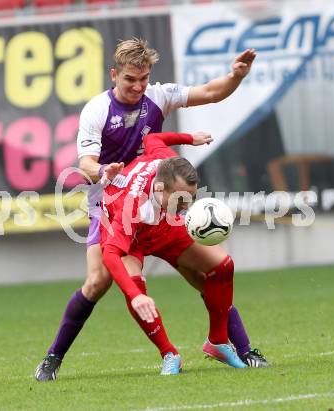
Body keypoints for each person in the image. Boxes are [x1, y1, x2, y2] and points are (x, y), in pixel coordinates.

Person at [35, 38, 267, 382]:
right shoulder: (97, 110)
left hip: (160, 201)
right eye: (130, 79)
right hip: (113, 204)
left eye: (143, 79)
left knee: (207, 276)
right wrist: (103, 171)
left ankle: (240, 348)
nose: (138, 86)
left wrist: (236, 76)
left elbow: (211, 92)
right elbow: (84, 161)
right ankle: (53, 357)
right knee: (99, 281)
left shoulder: (158, 96)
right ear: (114, 75)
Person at [101, 131, 247, 374]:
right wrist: (135, 296)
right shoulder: (132, 205)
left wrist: (190, 138)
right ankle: (169, 353)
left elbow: (152, 139)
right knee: (134, 288)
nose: (185, 207)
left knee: (223, 266)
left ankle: (218, 341)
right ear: (159, 189)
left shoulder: (167, 163)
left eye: (189, 199)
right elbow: (110, 255)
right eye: (179, 200)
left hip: (162, 225)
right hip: (131, 235)